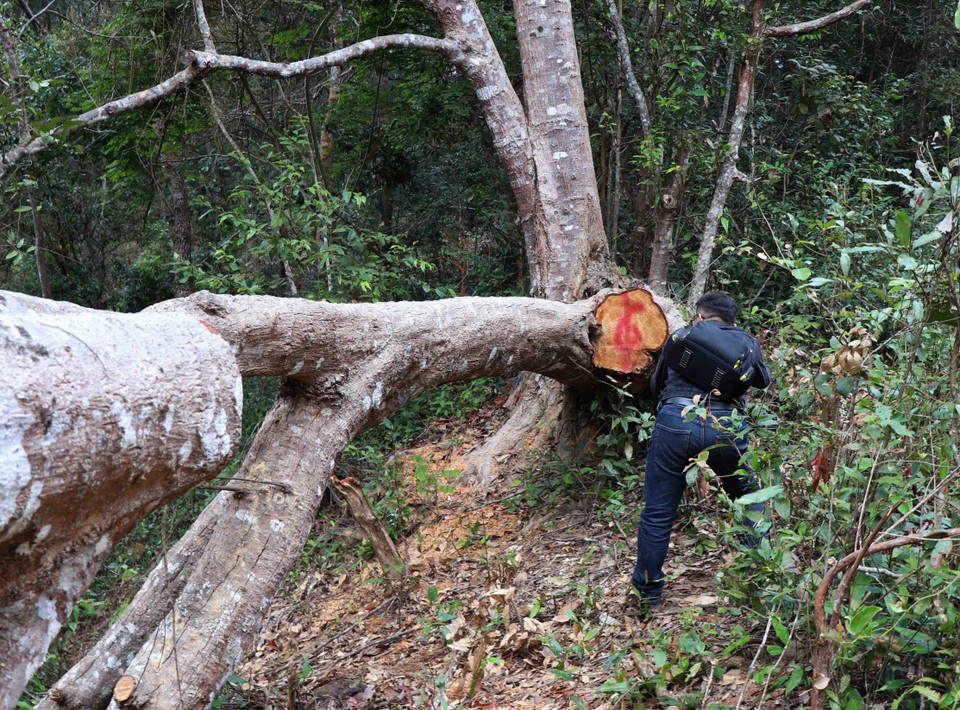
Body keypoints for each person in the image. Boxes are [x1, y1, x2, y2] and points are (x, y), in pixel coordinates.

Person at [630, 292, 771, 611]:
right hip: (727, 424)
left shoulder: (683, 336)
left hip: (675, 419)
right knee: (748, 499)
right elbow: (763, 380)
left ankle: (647, 596)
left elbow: (656, 386)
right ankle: (760, 582)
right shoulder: (746, 341)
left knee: (658, 512)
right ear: (732, 322)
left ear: (700, 317)